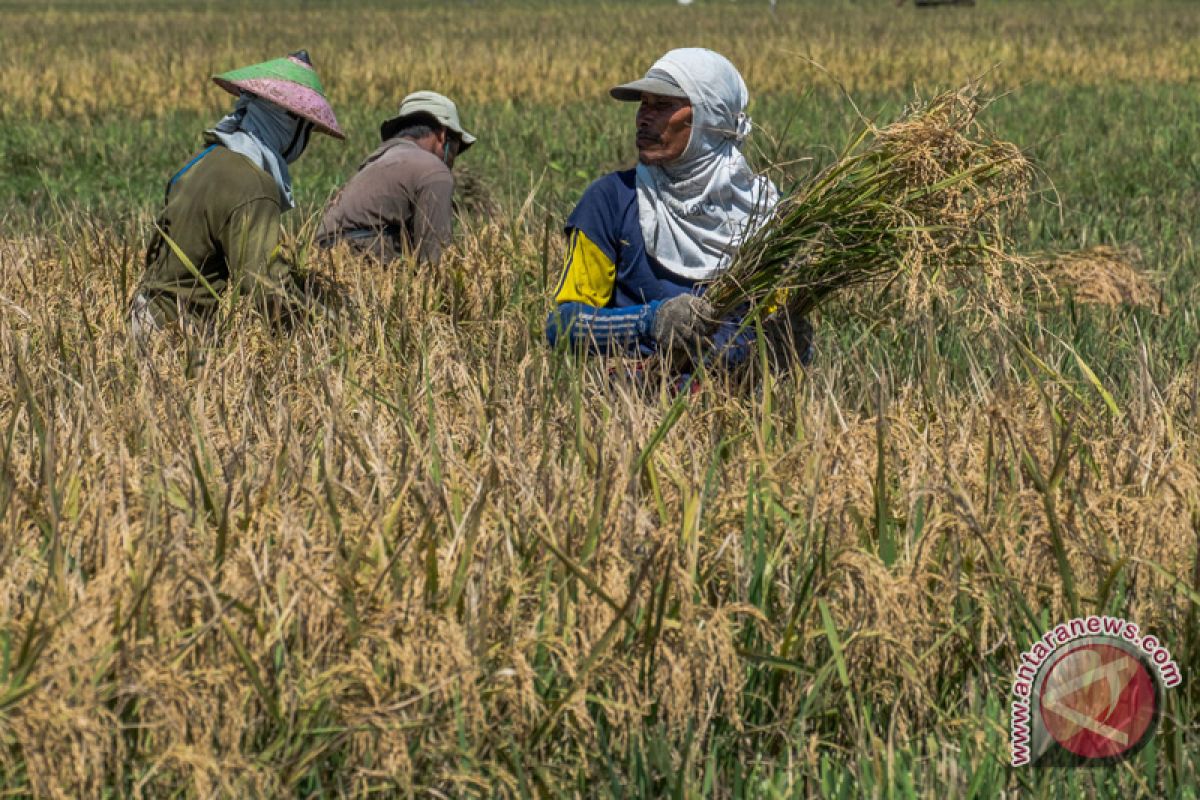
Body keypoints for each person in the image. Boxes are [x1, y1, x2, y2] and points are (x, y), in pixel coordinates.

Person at [544, 48, 812, 372]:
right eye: (643, 104)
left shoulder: (766, 215)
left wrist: (786, 346)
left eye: (663, 106)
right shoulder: (612, 201)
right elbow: (563, 326)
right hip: (637, 408)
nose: (643, 118)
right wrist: (649, 321)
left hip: (733, 408)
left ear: (709, 119)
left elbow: (777, 322)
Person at [130, 50, 343, 340]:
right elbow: (262, 283)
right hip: (175, 335)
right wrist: (327, 329)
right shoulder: (254, 186)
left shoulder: (202, 162)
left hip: (141, 316)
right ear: (293, 125)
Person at [316, 91, 476, 265]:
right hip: (359, 266)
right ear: (442, 135)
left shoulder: (375, 163)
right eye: (455, 147)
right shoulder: (433, 169)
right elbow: (435, 260)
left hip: (323, 264)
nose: (453, 160)